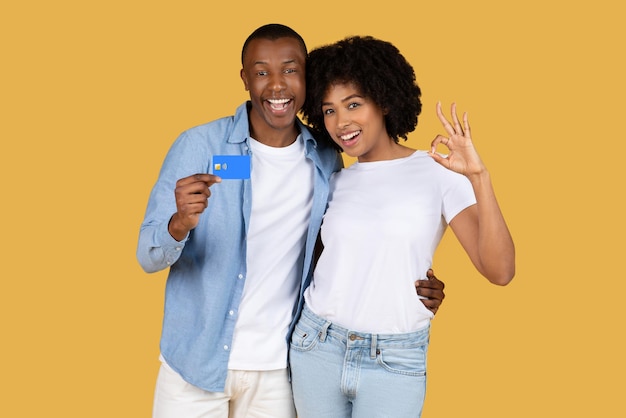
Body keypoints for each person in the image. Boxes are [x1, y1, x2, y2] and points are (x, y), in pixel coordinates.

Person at [137, 25, 447, 418]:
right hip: (197, 363)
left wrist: (409, 285)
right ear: (245, 79)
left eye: (290, 69)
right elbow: (148, 255)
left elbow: (340, 245)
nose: (277, 85)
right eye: (262, 71)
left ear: (307, 78)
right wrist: (178, 223)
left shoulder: (326, 157)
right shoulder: (200, 146)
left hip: (281, 369)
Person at [288, 36, 516, 418]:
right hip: (317, 346)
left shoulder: (438, 170)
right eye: (328, 110)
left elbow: (501, 270)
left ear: (386, 101)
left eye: (354, 104)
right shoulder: (335, 178)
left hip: (394, 358)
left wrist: (479, 177)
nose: (340, 122)